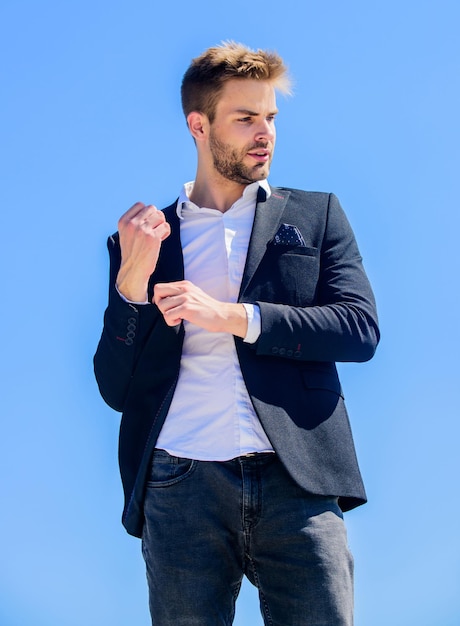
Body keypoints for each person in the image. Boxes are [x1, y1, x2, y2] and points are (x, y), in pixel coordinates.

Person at [94, 41, 379, 626]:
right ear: (199, 126)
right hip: (180, 484)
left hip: (296, 479)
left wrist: (233, 316)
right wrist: (130, 282)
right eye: (245, 118)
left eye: (270, 117)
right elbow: (115, 386)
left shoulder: (316, 214)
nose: (264, 132)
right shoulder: (148, 238)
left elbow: (359, 329)